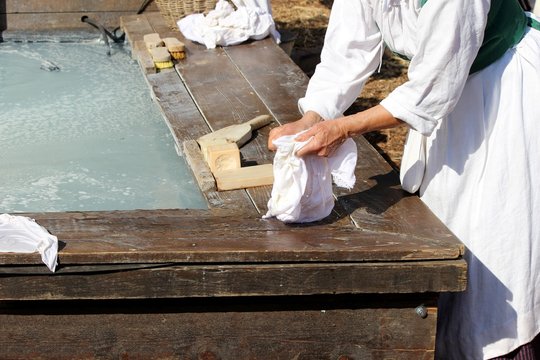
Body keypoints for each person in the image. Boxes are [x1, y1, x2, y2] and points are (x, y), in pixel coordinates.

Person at [267, 0, 540, 359]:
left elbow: (433, 86)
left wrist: (344, 127)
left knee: (496, 246)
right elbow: (348, 50)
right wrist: (314, 116)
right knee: (448, 232)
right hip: (448, 106)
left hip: (503, 95)